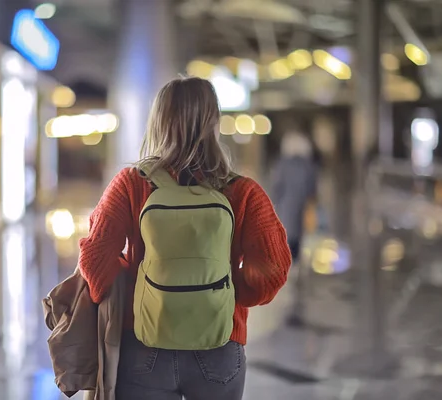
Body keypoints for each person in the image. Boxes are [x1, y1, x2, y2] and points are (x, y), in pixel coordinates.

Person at [78, 76, 291, 400]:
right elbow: (273, 268)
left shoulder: (132, 184)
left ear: (158, 122)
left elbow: (94, 259)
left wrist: (138, 285)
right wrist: (225, 288)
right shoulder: (243, 191)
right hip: (220, 344)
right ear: (214, 123)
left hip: (145, 343)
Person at [271, 132, 318, 261]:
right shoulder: (308, 165)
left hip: (285, 206)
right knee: (300, 236)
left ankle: (287, 262)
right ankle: (297, 263)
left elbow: (277, 187)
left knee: (287, 234)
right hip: (303, 206)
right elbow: (312, 189)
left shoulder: (282, 165)